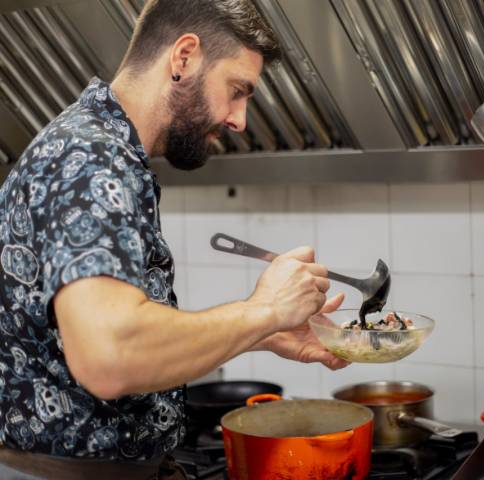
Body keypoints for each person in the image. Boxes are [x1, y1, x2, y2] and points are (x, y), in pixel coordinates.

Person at [0, 0, 348, 478]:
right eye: (237, 90)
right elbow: (110, 359)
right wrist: (262, 310)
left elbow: (115, 334)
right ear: (183, 57)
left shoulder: (104, 150)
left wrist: (261, 331)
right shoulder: (92, 160)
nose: (239, 120)